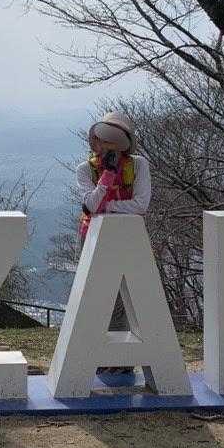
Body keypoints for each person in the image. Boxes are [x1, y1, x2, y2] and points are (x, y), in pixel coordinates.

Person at [75, 111, 151, 372]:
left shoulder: (138, 166)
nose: (105, 145)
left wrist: (107, 207)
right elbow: (89, 205)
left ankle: (119, 360)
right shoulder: (85, 170)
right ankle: (95, 356)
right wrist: (107, 176)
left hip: (126, 237)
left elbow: (141, 204)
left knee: (123, 296)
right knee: (95, 295)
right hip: (92, 237)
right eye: (101, 138)